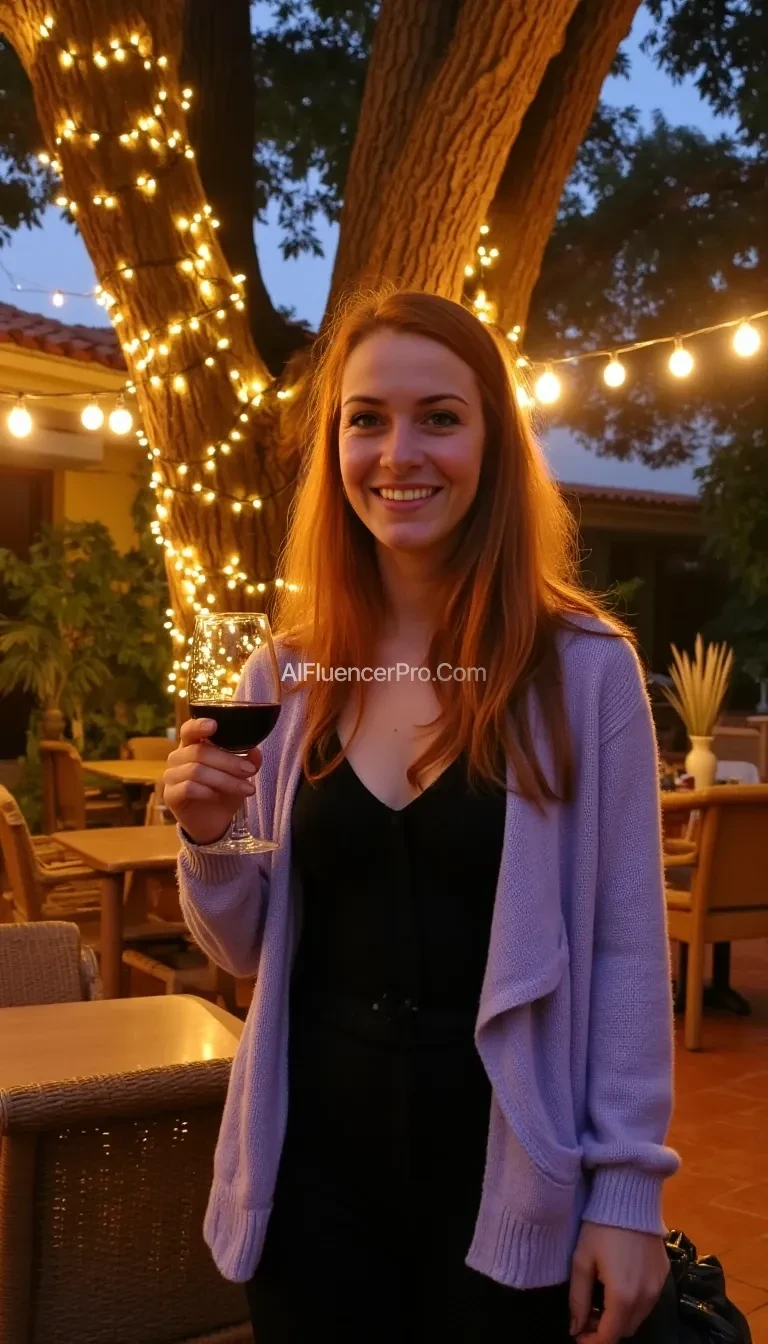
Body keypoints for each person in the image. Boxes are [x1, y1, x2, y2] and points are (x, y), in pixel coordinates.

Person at [164, 290, 679, 1344]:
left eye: (440, 416)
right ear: (336, 444)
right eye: (367, 418)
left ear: (491, 441)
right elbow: (245, 941)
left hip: (506, 1170)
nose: (400, 452)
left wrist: (627, 1194)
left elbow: (630, 949)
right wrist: (216, 840)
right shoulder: (289, 674)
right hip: (310, 1178)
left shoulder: (583, 671)